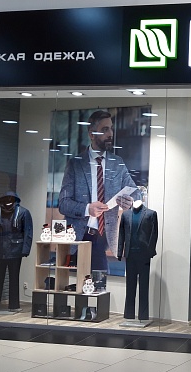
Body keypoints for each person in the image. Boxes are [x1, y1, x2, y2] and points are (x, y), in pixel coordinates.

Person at [59, 110, 139, 274]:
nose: (110, 134)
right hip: (78, 237)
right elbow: (63, 203)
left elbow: (135, 193)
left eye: (111, 129)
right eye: (104, 130)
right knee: (74, 285)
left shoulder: (117, 163)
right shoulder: (76, 164)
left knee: (100, 284)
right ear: (91, 134)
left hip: (103, 238)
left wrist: (130, 201)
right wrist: (87, 209)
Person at [0, 191, 33, 311]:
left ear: (15, 200)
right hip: (0, 250)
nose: (8, 201)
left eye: (10, 199)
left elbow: (28, 232)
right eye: (6, 199)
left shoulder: (23, 212)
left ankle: (14, 305)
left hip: (16, 251)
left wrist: (25, 250)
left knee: (14, 278)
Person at [118, 200, 158, 321]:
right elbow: (121, 234)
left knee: (144, 287)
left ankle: (143, 316)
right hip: (130, 255)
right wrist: (120, 252)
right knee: (130, 286)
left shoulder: (151, 214)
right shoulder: (126, 215)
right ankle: (129, 315)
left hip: (144, 255)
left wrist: (150, 252)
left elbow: (154, 235)